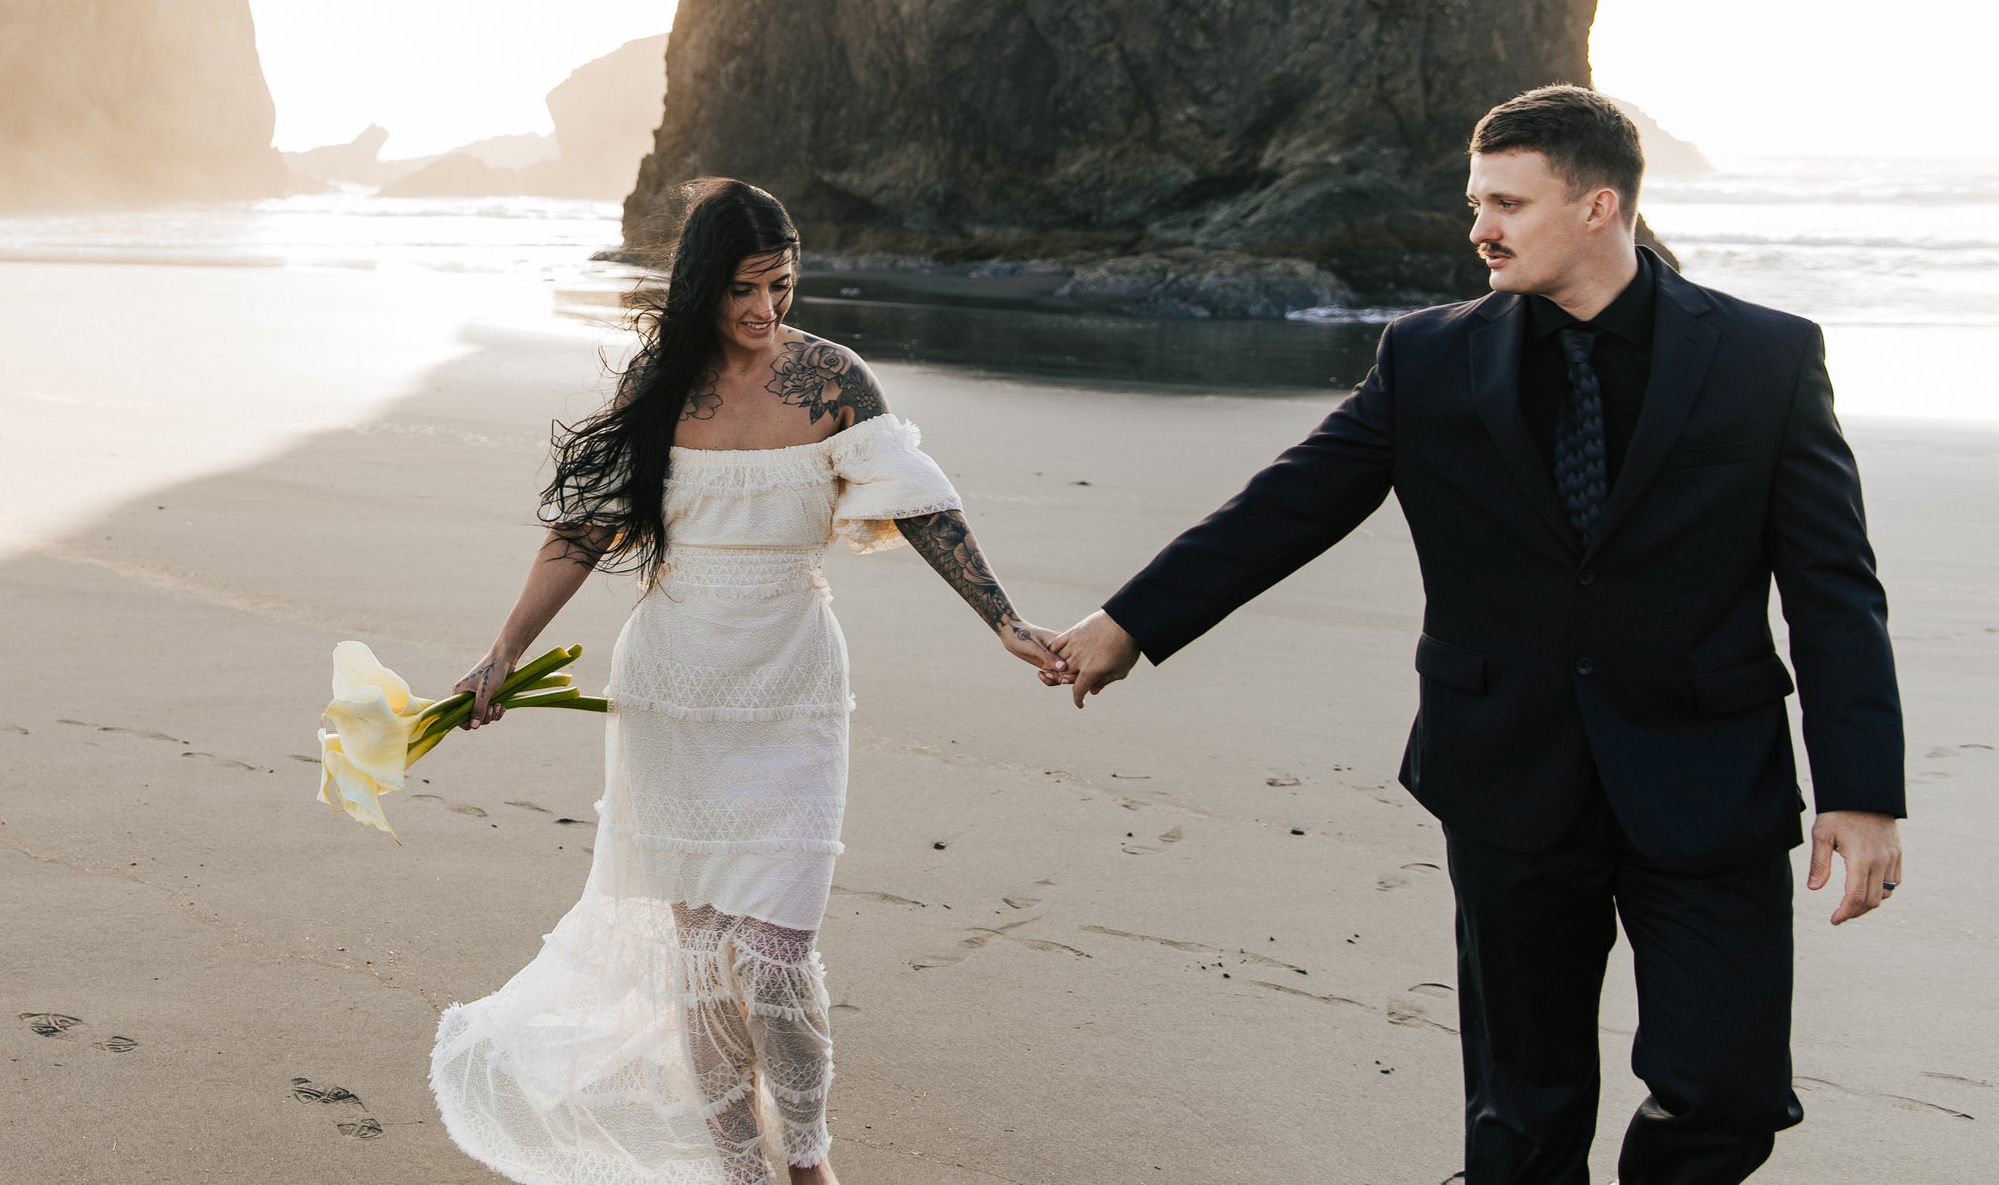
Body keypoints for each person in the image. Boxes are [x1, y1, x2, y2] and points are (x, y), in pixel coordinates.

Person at [1054, 85, 1906, 1185]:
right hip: (1506, 768)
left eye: (1507, 201)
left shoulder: (1763, 358)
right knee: (1520, 1113)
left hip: (1706, 776)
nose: (1479, 228)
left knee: (1728, 1091)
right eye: (1474, 201)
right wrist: (1129, 623)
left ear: (1599, 206)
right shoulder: (1428, 358)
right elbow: (1287, 505)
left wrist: (1861, 786)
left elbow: (1835, 587)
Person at [430, 178, 1064, 1185]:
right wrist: (502, 649)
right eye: (743, 288)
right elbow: (586, 531)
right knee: (701, 960)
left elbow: (923, 507)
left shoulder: (832, 378)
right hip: (673, 692)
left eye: (780, 281)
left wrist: (1005, 620)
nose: (766, 307)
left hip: (792, 686)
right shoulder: (662, 382)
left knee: (771, 955)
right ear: (699, 286)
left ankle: (805, 1162)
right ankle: (740, 1167)